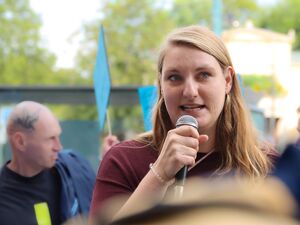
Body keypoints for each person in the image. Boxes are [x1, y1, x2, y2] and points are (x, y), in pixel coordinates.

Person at [89, 25, 278, 221]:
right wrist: (160, 174)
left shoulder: (269, 166)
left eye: (203, 75)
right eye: (174, 77)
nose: (189, 91)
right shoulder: (123, 160)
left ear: (227, 80)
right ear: (161, 86)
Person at [0, 101, 96, 225]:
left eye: (58, 137)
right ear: (20, 141)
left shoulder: (71, 171)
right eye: (50, 139)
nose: (59, 147)